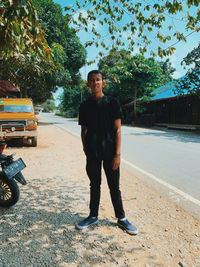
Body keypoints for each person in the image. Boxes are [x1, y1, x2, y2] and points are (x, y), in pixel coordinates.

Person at [76, 70, 138, 235]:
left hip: (110, 153)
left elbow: (118, 130)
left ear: (103, 83)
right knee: (94, 185)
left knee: (114, 187)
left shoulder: (112, 103)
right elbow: (84, 130)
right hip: (93, 153)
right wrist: (85, 149)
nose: (95, 83)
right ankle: (93, 216)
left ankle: (122, 218)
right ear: (88, 84)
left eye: (98, 80)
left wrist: (117, 154)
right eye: (92, 80)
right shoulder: (84, 106)